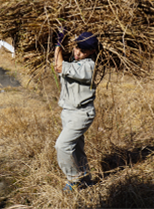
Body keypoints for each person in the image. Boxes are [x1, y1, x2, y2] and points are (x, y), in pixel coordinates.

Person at [54, 31, 98, 191]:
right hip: (68, 112)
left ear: (92, 52)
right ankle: (86, 179)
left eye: (83, 51)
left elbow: (59, 66)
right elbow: (58, 66)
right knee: (76, 148)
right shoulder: (74, 61)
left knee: (62, 145)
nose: (78, 53)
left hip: (81, 113)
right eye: (77, 48)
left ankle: (74, 180)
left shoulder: (89, 66)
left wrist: (58, 44)